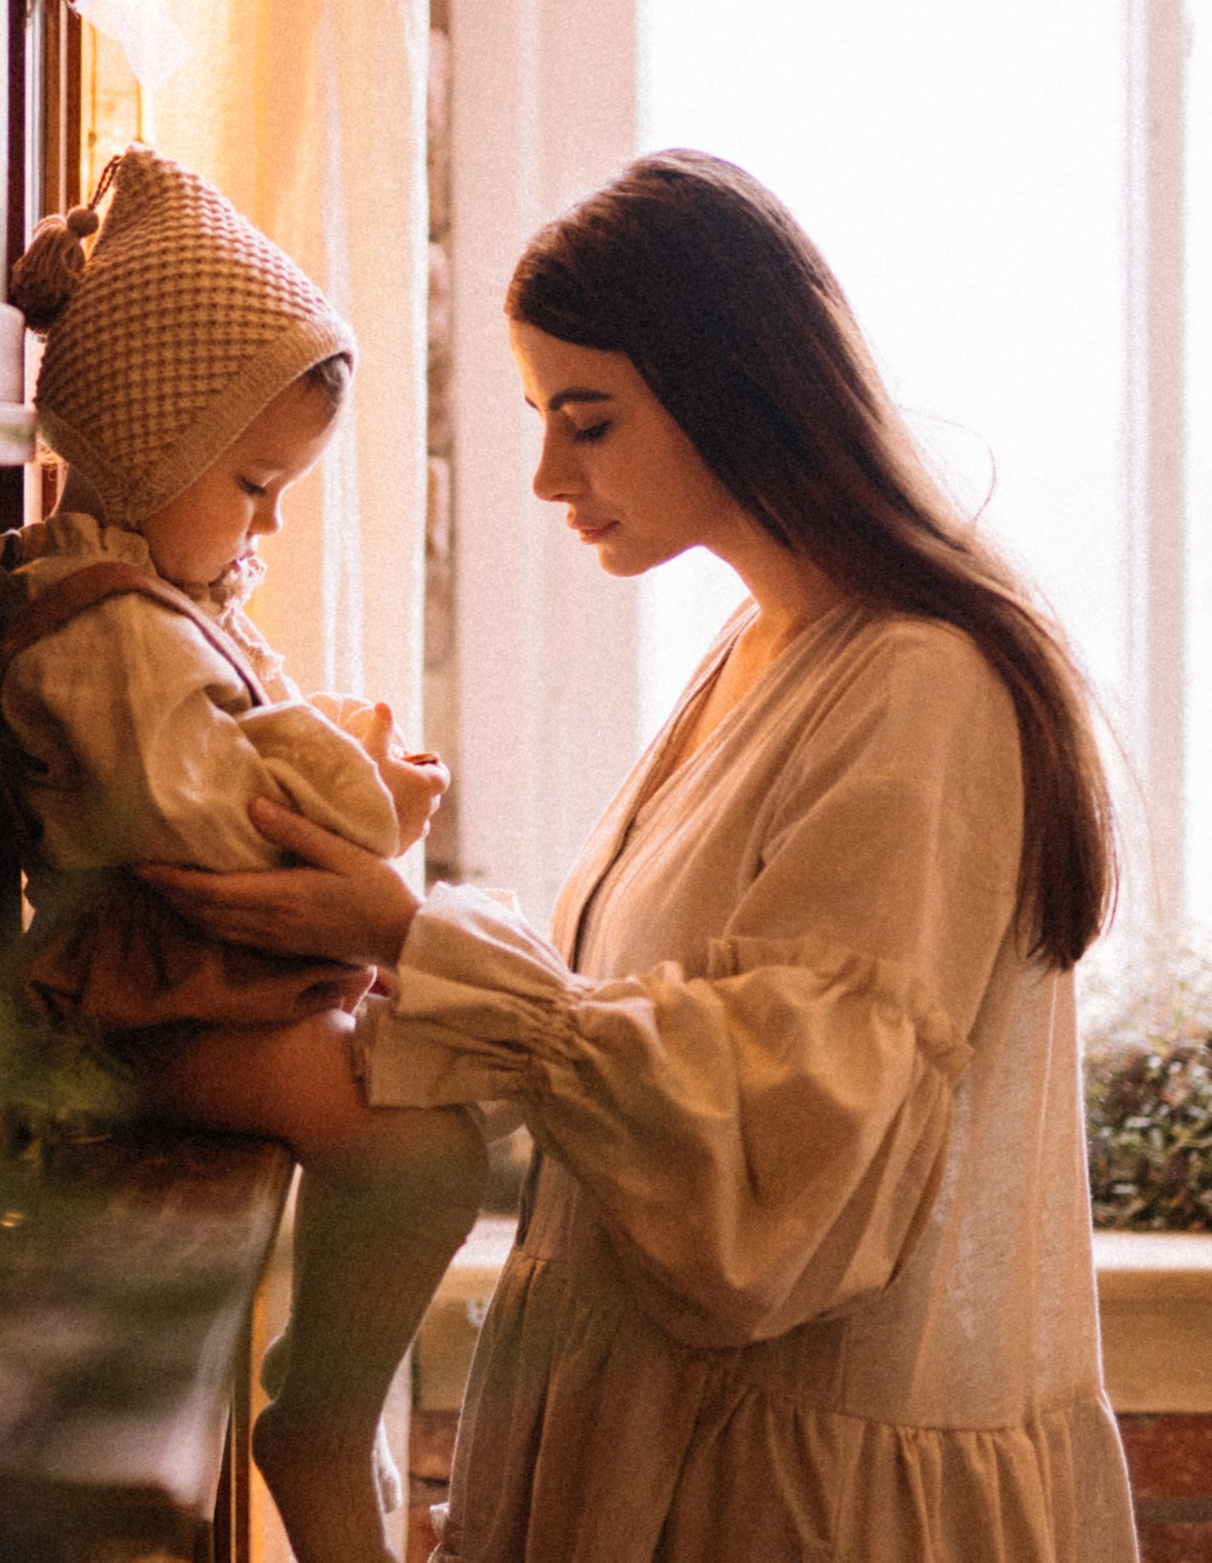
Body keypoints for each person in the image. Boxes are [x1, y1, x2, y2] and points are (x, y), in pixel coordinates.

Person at [142, 150, 1141, 1562]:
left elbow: (785, 1169)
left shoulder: (926, 687)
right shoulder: (765, 648)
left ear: (733, 387)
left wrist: (414, 940)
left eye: (588, 420)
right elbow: (658, 1041)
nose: (551, 474)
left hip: (803, 1506)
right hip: (680, 1449)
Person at [0, 144, 489, 1563]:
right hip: (138, 1010)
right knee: (411, 1141)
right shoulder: (98, 627)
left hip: (205, 977)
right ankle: (321, 1425)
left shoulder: (153, 599)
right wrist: (362, 797)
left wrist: (335, 747)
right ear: (152, 447)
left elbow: (239, 735)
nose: (269, 522)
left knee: (436, 1091)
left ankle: (334, 1414)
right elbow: (206, 812)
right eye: (256, 482)